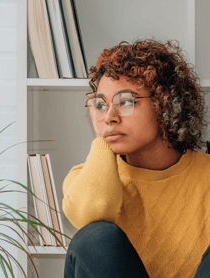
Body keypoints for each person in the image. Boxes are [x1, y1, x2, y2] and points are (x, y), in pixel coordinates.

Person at [62, 38, 210, 277]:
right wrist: (103, 135)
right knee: (96, 237)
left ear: (165, 105)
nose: (109, 116)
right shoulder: (82, 179)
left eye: (126, 102)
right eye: (101, 105)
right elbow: (92, 215)